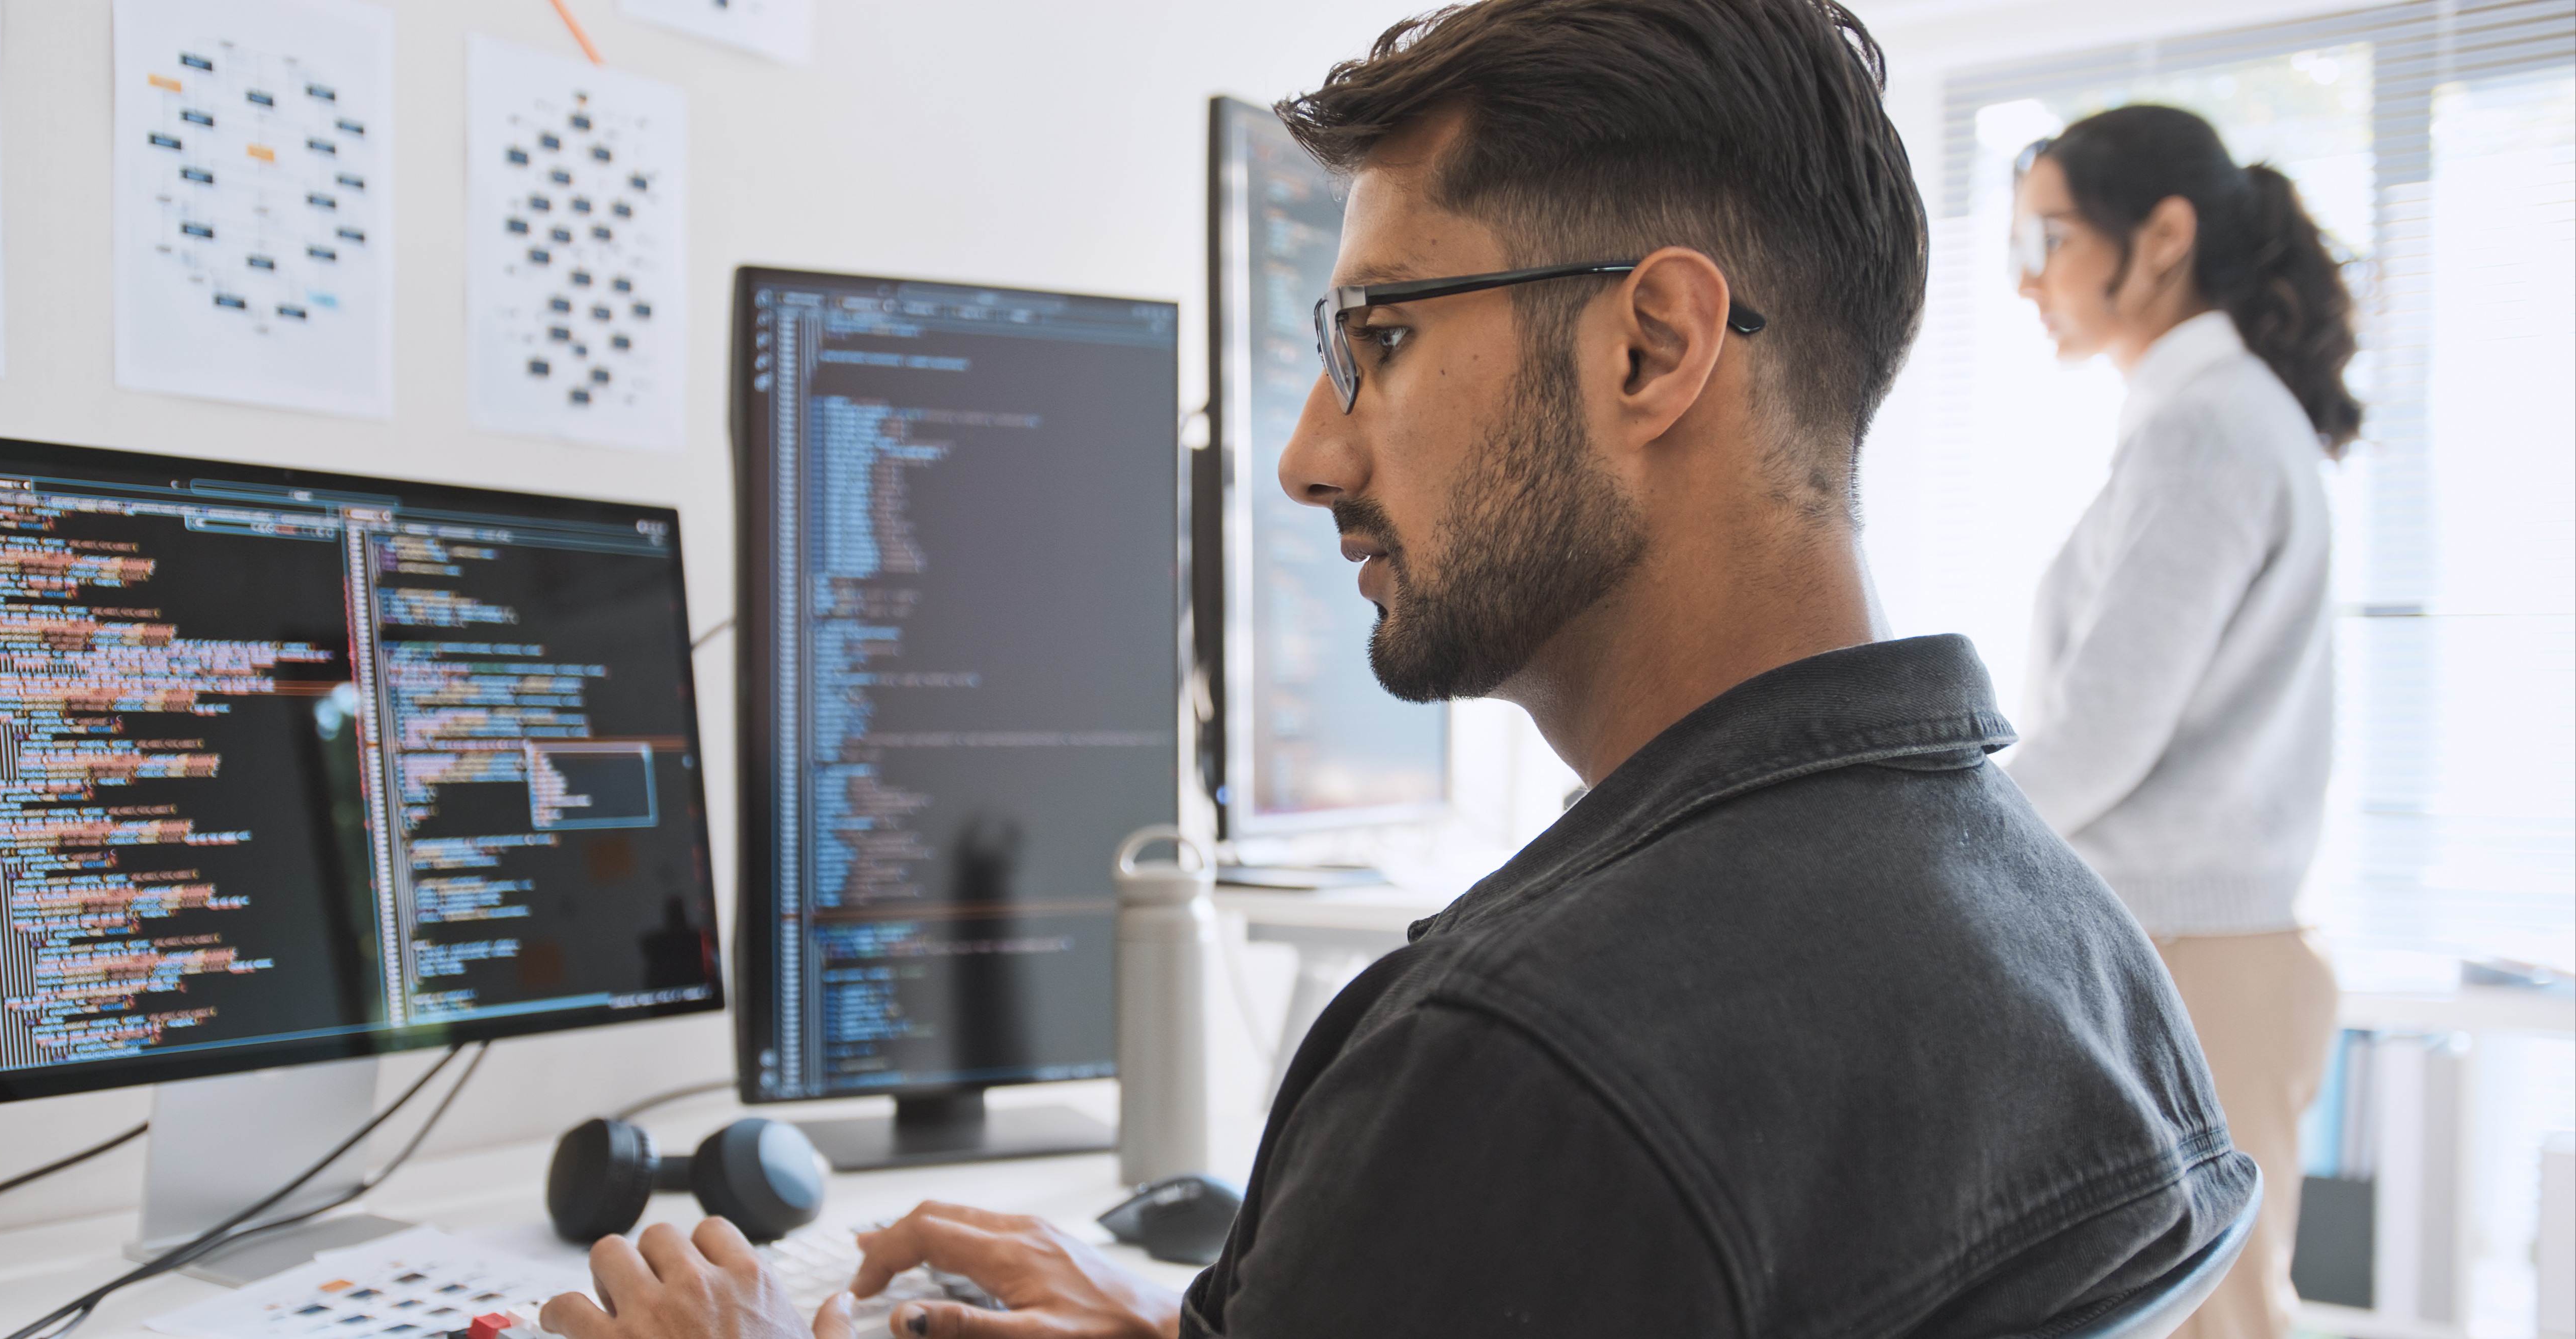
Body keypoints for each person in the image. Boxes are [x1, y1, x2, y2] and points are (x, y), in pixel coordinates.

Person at [541, 3, 2254, 1335]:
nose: (1305, 454)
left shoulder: (1523, 1060)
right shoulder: (2075, 955)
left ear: (1651, 346)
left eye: (1380, 339)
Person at [2004, 105, 2359, 1339]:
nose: (2025, 279)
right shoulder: (2208, 420)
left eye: (2046, 237)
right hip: (2193, 951)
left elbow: (2103, 734)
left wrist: (1935, 826)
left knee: (2215, 1319)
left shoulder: (2207, 427)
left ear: (2160, 238)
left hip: (2199, 959)